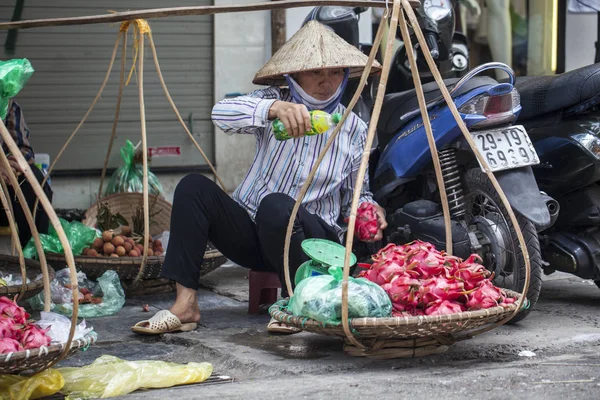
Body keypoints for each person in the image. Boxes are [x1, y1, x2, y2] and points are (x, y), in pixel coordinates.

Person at [132, 21, 386, 335]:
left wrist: (369, 212)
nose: (327, 82)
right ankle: (186, 304)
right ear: (294, 76)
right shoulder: (272, 100)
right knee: (193, 187)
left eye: (335, 73)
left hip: (311, 243)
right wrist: (273, 109)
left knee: (277, 207)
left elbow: (358, 195)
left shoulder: (354, 128)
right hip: (253, 236)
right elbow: (220, 113)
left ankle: (298, 302)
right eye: (315, 73)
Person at [0, 99, 52, 246]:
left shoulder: (7, 105)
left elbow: (24, 151)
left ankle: (34, 255)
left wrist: (9, 164)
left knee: (33, 180)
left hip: (5, 191)